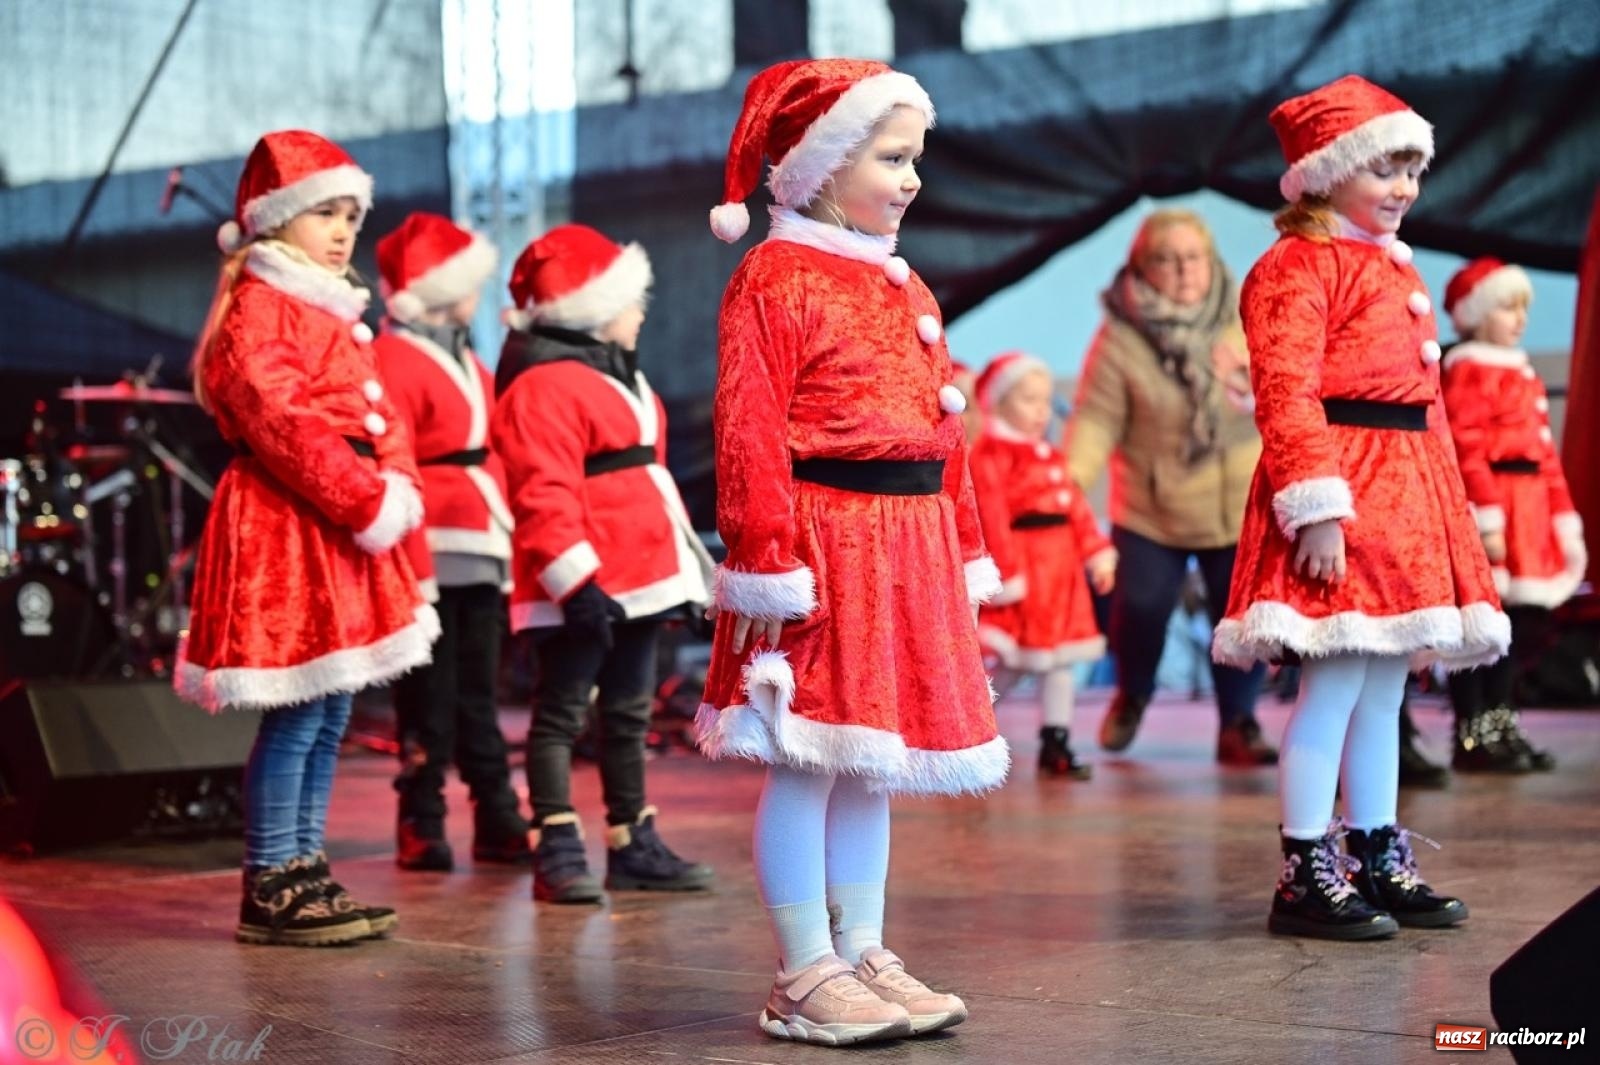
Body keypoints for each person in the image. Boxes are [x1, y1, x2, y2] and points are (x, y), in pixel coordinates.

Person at [695, 58, 1007, 1047]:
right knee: (808, 758)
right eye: (890, 157)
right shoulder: (775, 275)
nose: (911, 178)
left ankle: (861, 948)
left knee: (872, 763)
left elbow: (944, 431)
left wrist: (962, 549)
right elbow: (748, 428)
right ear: (823, 163)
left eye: (915, 157)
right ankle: (803, 970)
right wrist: (766, 558)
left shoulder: (899, 279)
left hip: (907, 545)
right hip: (824, 545)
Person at [1211, 76, 1509, 940]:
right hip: (1344, 490)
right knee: (1335, 685)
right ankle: (1305, 865)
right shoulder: (1294, 267)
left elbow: (1428, 406)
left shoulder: (1391, 263)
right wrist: (1316, 509)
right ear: (1326, 171)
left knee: (1384, 690)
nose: (1404, 187)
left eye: (1412, 170)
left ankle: (1376, 849)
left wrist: (1448, 520)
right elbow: (1286, 392)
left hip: (1405, 494)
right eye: (1385, 168)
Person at [177, 130, 435, 945]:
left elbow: (379, 414)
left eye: (352, 216)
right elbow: (279, 416)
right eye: (326, 212)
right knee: (296, 712)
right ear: (276, 217)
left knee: (329, 710)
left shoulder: (331, 306)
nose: (343, 230)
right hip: (292, 520)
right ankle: (271, 876)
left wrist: (395, 484)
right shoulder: (262, 303)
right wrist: (364, 496)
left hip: (342, 523)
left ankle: (304, 863)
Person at [492, 223, 716, 904]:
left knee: (627, 712)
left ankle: (631, 839)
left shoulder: (622, 377)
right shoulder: (542, 387)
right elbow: (542, 492)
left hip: (641, 578)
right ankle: (557, 844)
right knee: (561, 713)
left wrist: (683, 577)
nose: (641, 313)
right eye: (630, 301)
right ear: (592, 309)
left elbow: (648, 486)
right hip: (585, 581)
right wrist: (575, 582)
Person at [1064, 209, 1276, 766]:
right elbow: (1096, 419)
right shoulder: (1120, 337)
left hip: (1238, 502)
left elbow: (1286, 393)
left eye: (1193, 257)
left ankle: (1239, 722)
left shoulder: (1246, 319)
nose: (1183, 270)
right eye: (1167, 259)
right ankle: (1133, 694)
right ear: (1142, 268)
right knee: (1140, 605)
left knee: (1241, 617)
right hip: (1152, 507)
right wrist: (1066, 483)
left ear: (1211, 261)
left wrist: (1252, 387)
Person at [373, 212, 529, 870]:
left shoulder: (465, 356)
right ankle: (422, 815)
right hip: (426, 542)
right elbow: (393, 459)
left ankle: (494, 813)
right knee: (427, 692)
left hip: (480, 540)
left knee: (478, 690)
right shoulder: (389, 358)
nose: (478, 293)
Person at [1441, 257, 1581, 773]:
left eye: (1524, 308)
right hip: (1496, 507)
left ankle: (1501, 719)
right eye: (1507, 308)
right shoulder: (1468, 368)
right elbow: (1467, 447)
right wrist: (1488, 520)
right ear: (1476, 314)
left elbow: (1544, 453)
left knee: (1516, 626)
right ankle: (1473, 729)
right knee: (1481, 624)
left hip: (1529, 513)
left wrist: (1561, 519)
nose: (1520, 319)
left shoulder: (1519, 369)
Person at [970, 351, 1116, 779]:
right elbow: (991, 517)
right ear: (999, 402)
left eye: (1046, 400)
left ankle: (1057, 742)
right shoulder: (989, 455)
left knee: (1059, 660)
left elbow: (1076, 510)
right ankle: (969, 725)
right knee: (1016, 661)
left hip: (1061, 576)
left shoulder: (1050, 456)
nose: (1041, 411)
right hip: (1028, 572)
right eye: (1029, 399)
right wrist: (1008, 576)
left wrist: (1096, 553)